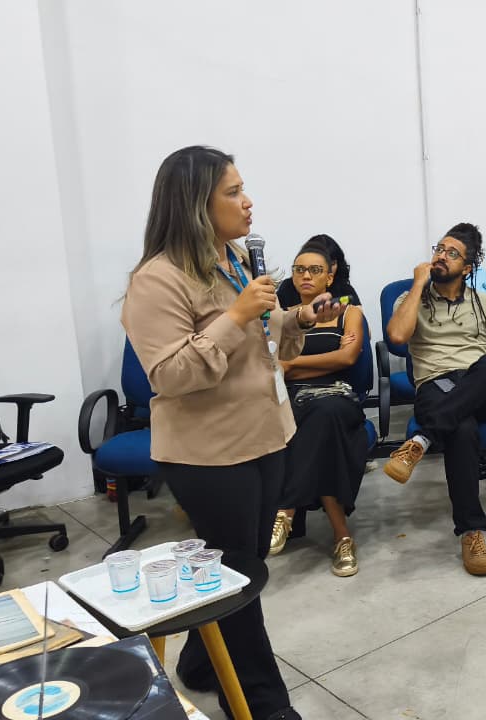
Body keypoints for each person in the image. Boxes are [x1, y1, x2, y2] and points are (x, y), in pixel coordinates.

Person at [122, 146, 342, 720]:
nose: (248, 203)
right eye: (233, 192)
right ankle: (264, 706)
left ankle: (201, 663)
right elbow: (169, 375)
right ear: (196, 203)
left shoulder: (236, 258)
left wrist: (298, 318)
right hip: (209, 453)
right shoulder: (157, 279)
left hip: (265, 434)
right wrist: (237, 315)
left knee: (240, 565)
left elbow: (261, 337)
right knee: (241, 577)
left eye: (244, 190)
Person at [384, 222, 486, 576]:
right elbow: (397, 337)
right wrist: (418, 284)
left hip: (481, 384)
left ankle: (421, 439)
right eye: (439, 250)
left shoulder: (485, 303)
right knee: (461, 429)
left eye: (452, 253)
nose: (441, 257)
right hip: (435, 386)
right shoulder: (410, 299)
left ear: (468, 267)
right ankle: (472, 533)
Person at [270, 239, 368, 577]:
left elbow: (347, 358)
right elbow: (272, 366)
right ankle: (343, 538)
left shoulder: (349, 311)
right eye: (299, 270)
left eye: (315, 270)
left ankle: (286, 509)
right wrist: (305, 365)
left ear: (330, 276)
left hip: (337, 395)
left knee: (325, 414)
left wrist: (292, 364)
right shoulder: (283, 317)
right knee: (322, 434)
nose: (306, 276)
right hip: (292, 399)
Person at [277, 233, 354, 309]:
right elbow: (274, 315)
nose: (307, 276)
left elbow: (357, 312)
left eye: (331, 263)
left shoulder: (345, 289)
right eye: (314, 269)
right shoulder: (287, 287)